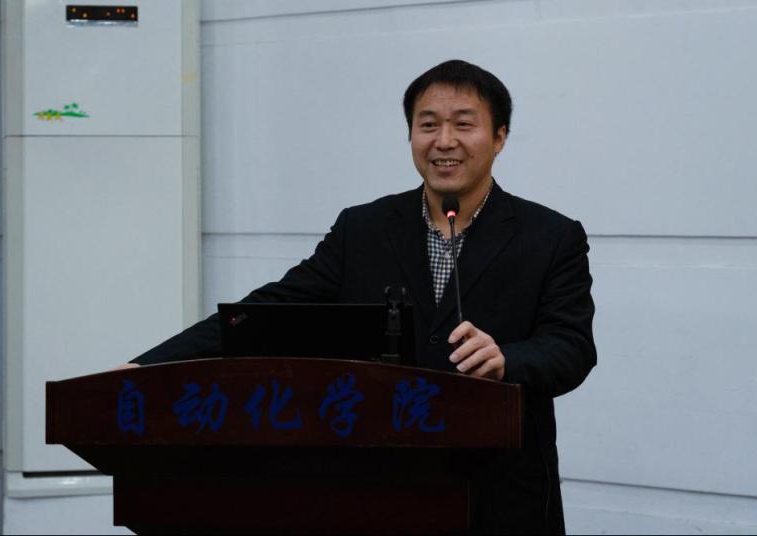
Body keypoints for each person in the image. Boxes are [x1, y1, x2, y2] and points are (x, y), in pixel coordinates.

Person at [123, 59, 596, 534]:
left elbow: (571, 347)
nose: (444, 141)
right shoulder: (363, 229)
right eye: (428, 125)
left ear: (499, 137)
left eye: (464, 124)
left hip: (500, 496)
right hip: (380, 494)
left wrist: (507, 360)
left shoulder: (551, 237)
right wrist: (145, 368)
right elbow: (268, 309)